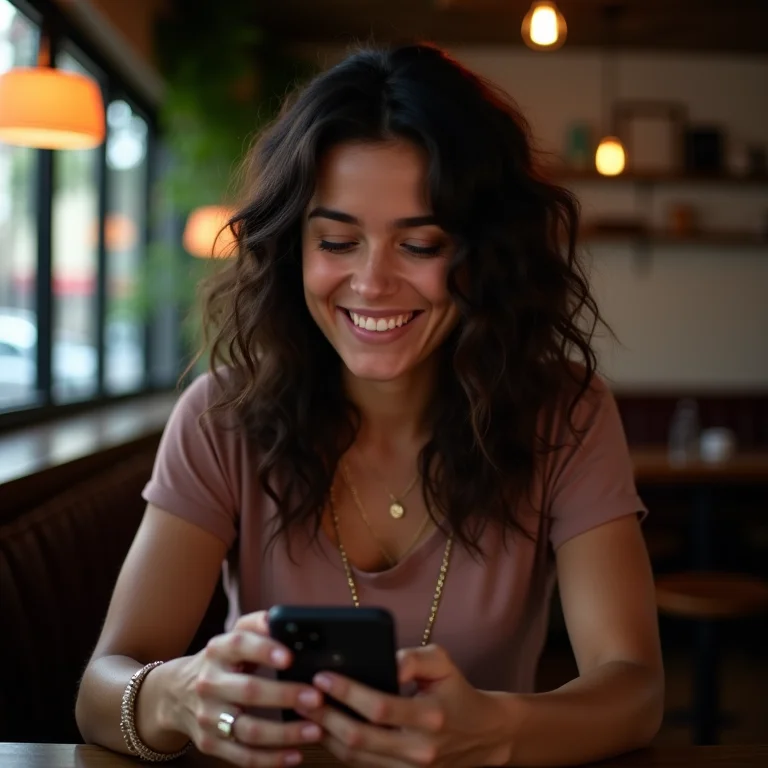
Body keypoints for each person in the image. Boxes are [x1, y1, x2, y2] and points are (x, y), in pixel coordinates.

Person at [75, 42, 664, 768]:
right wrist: (177, 694)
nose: (372, 281)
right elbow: (100, 691)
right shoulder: (221, 416)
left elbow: (634, 689)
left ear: (486, 255)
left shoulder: (564, 413)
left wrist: (497, 734)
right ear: (294, 248)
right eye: (336, 240)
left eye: (419, 245)